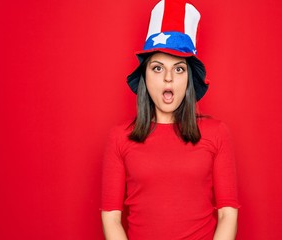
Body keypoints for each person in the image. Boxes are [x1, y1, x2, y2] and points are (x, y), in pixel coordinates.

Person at [101, 0, 240, 239]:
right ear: (144, 76)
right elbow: (111, 216)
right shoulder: (119, 136)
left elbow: (228, 213)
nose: (168, 78)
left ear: (188, 79)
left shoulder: (217, 133)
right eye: (157, 68)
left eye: (178, 69)